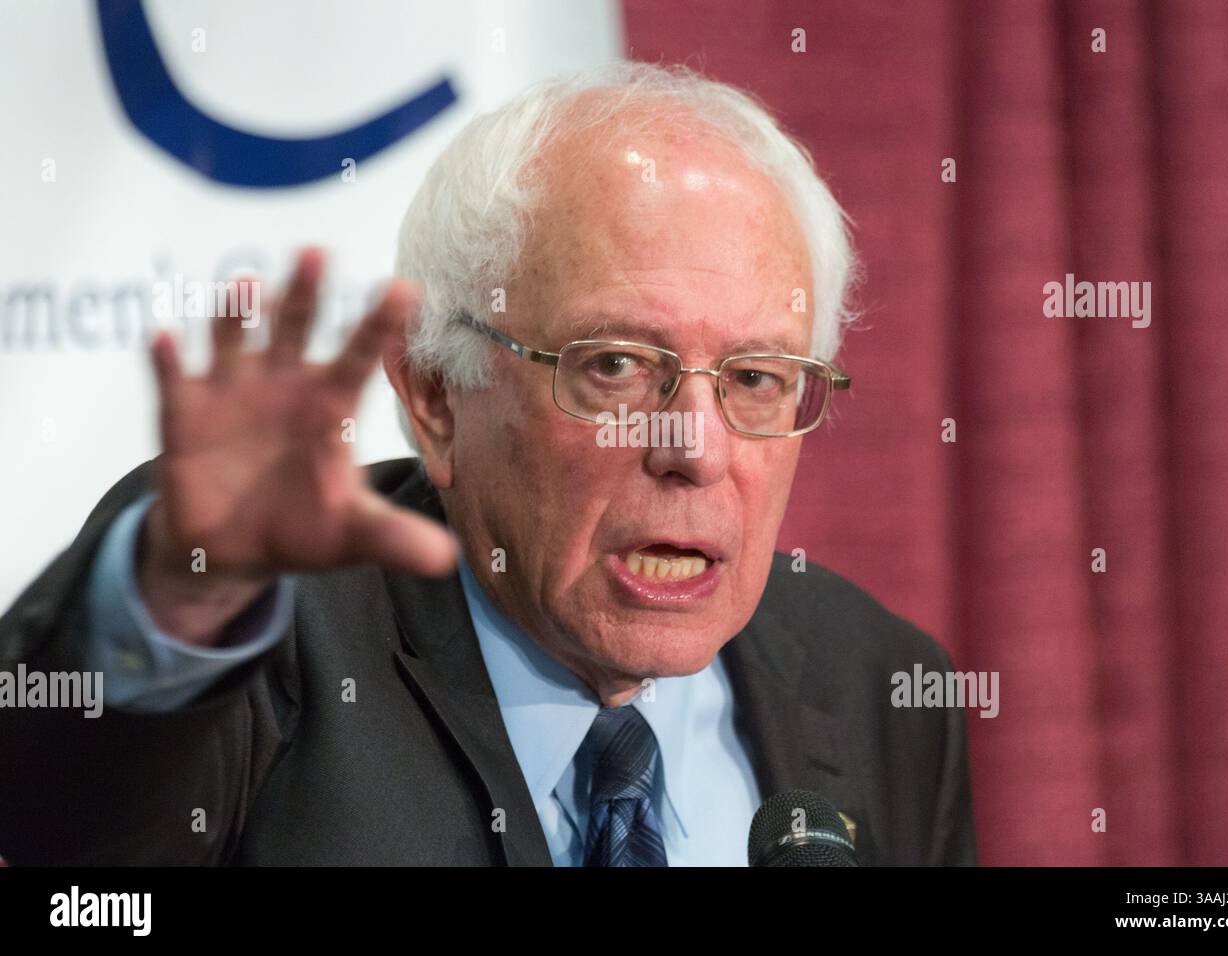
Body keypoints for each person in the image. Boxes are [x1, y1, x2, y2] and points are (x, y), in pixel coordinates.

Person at [0, 62, 976, 866]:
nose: (697, 450)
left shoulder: (877, 682)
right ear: (434, 396)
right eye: (617, 366)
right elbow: (57, 823)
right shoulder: (262, 624)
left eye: (758, 377)